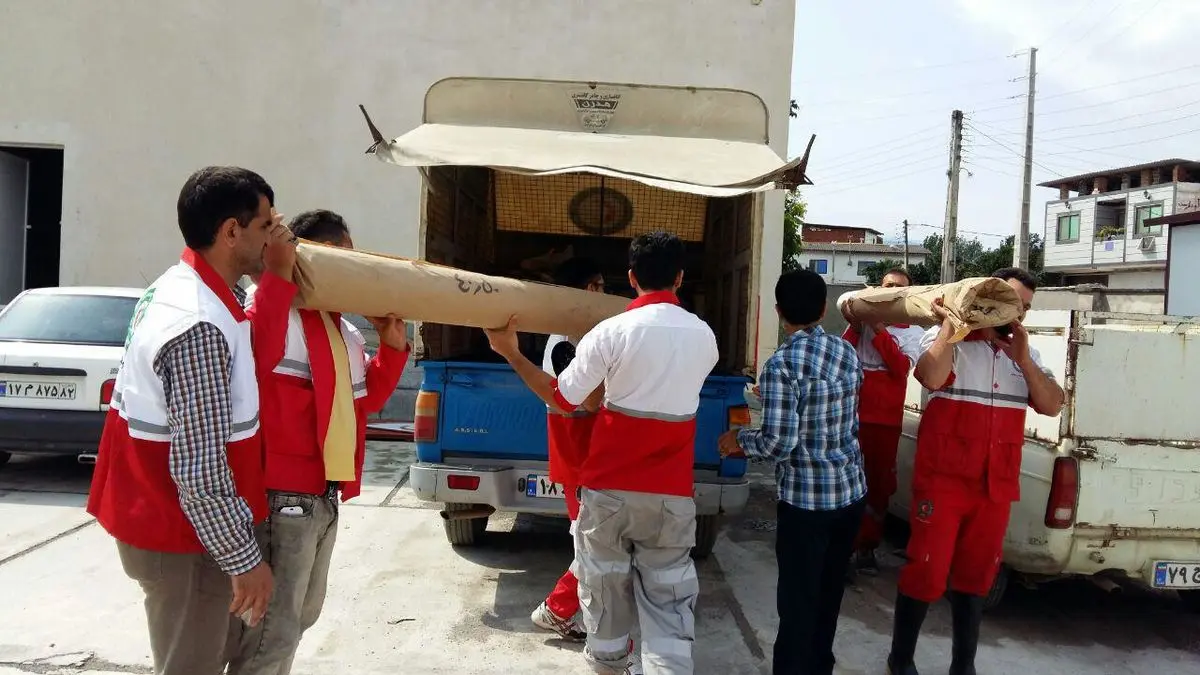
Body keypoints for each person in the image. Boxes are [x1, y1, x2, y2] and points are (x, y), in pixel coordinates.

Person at [86, 166, 297, 675]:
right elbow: (199, 469)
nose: (275, 236)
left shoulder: (188, 288)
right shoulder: (198, 324)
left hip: (181, 529)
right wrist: (244, 559)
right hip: (181, 536)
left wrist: (274, 275)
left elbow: (252, 352)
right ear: (231, 232)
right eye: (266, 225)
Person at [483, 231, 717, 675]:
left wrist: (510, 353)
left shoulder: (610, 332)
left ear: (630, 278)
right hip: (670, 495)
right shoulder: (704, 337)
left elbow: (567, 398)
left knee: (605, 606)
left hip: (607, 491)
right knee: (669, 610)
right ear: (681, 277)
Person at [228, 209, 411, 674]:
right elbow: (256, 353)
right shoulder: (270, 307)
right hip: (282, 494)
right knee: (272, 631)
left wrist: (391, 347)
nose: (352, 270)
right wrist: (277, 271)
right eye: (342, 258)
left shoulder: (342, 331)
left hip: (323, 495)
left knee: (300, 618)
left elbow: (361, 404)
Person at [886, 267, 1064, 675]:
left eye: (1025, 309)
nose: (1015, 316)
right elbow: (930, 377)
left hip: (994, 486)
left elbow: (1053, 404)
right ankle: (900, 660)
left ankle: (963, 666)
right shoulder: (949, 340)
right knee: (927, 570)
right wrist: (952, 324)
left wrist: (1024, 361)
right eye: (1009, 304)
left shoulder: (1027, 356)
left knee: (977, 577)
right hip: (944, 481)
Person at [718, 269, 867, 675]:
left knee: (798, 602)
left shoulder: (781, 365)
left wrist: (738, 440)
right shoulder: (846, 352)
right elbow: (838, 414)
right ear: (822, 309)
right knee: (829, 592)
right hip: (851, 493)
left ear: (780, 311)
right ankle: (820, 666)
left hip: (807, 503)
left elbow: (778, 444)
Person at [530, 256, 606, 642]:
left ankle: (567, 615)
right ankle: (556, 609)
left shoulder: (582, 337)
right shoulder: (566, 344)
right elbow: (587, 402)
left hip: (588, 462)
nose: (604, 294)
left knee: (592, 545)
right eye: (600, 285)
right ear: (588, 290)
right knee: (592, 548)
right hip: (579, 462)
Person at [837, 267, 926, 577]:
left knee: (878, 488)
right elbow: (843, 356)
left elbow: (900, 367)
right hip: (851, 418)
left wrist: (878, 330)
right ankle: (843, 549)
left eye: (899, 288)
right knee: (846, 485)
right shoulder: (862, 326)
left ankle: (867, 548)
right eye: (887, 285)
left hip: (885, 424)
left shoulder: (913, 332)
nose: (892, 291)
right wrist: (862, 325)